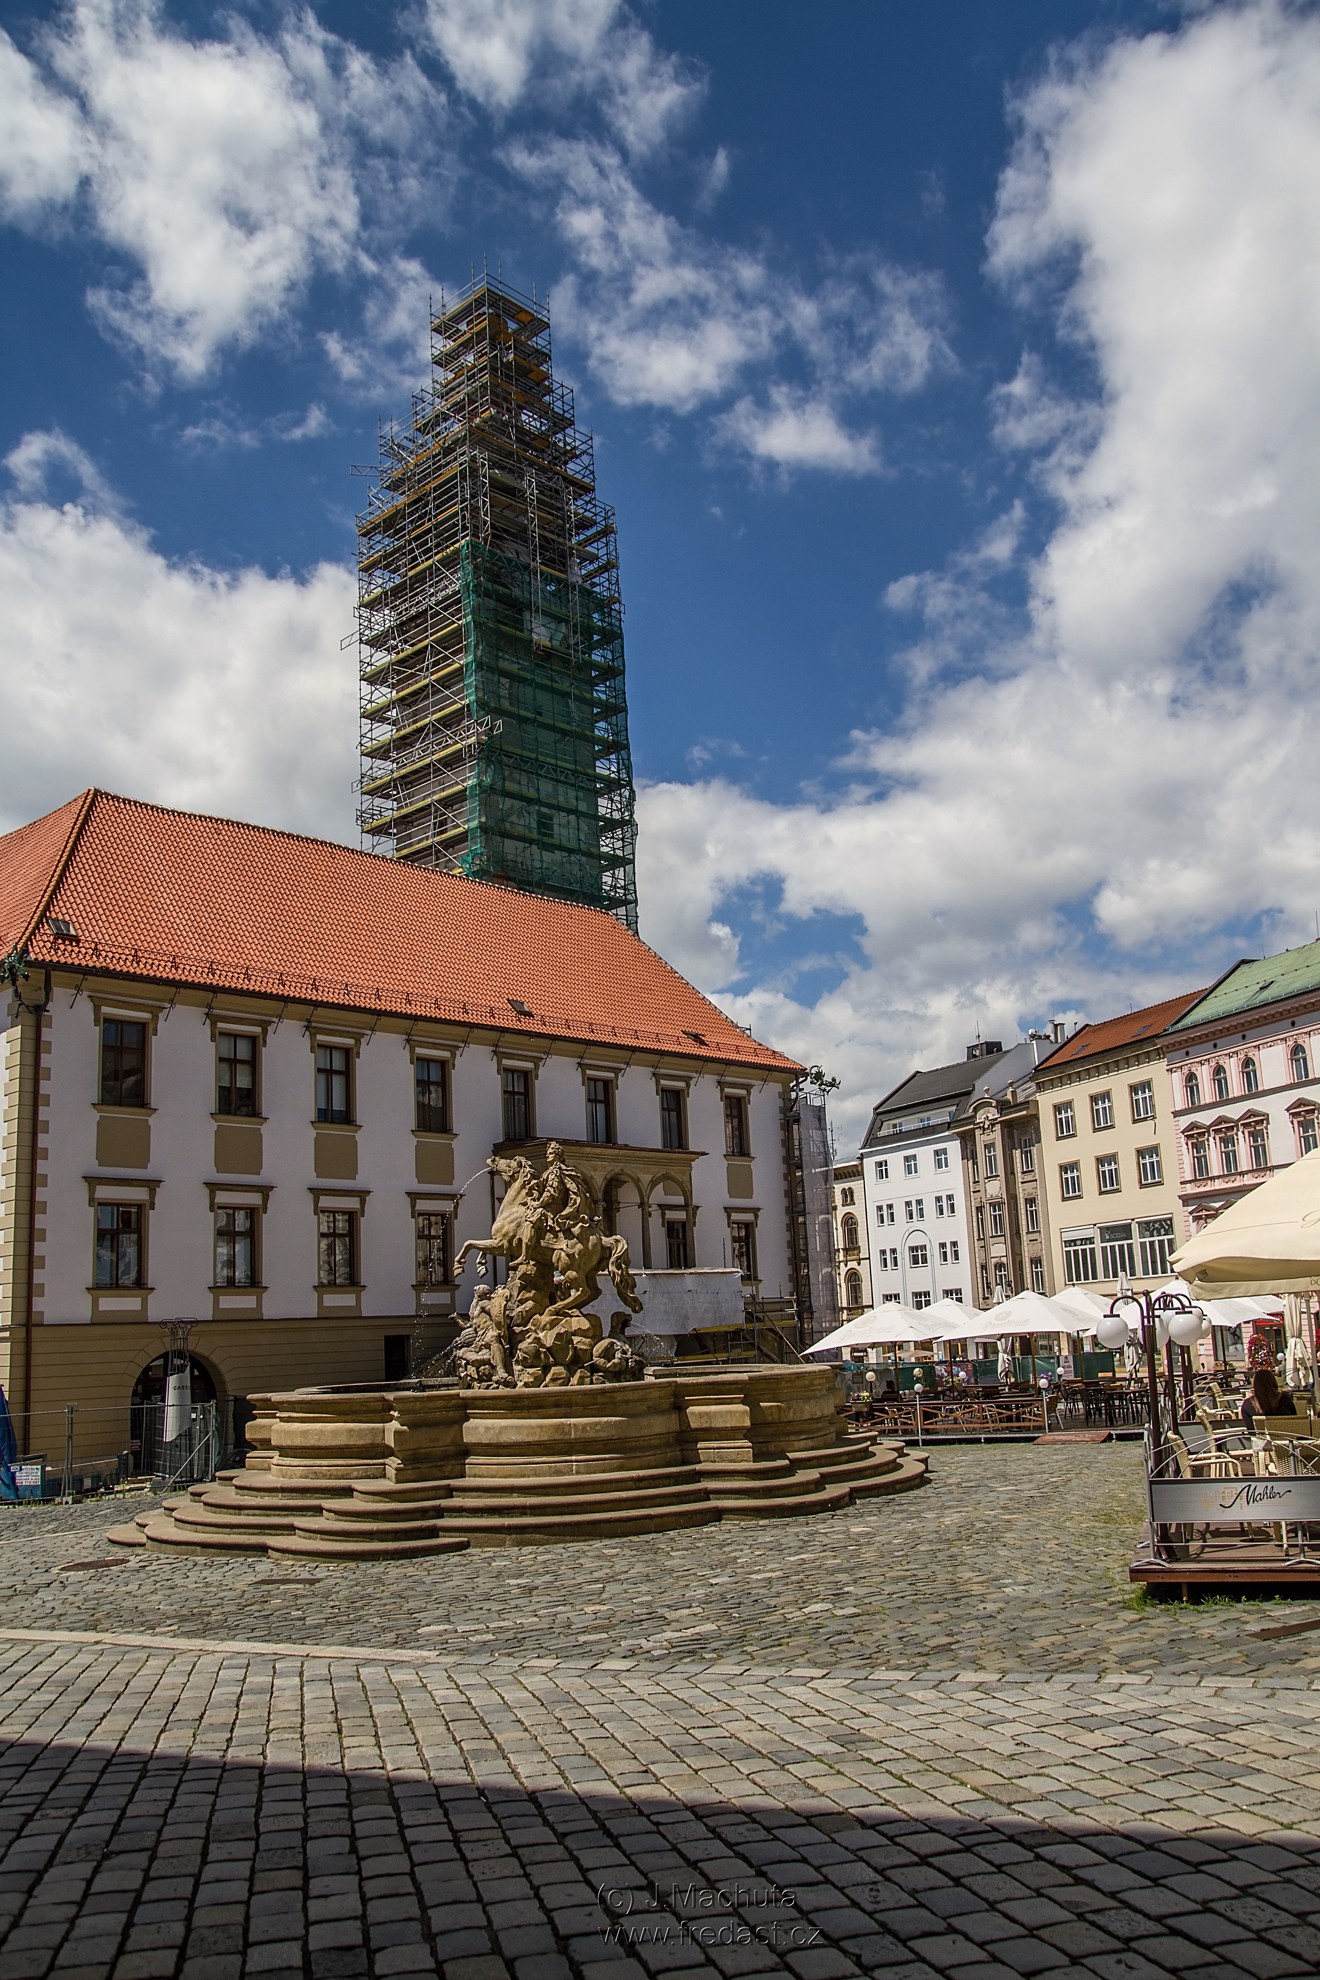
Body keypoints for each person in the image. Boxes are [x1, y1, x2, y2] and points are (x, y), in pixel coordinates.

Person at [1241, 1366, 1297, 1430]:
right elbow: (1295, 1420)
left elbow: (1251, 1430)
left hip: (1261, 1436)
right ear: (1273, 1382)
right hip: (1288, 1435)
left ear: (1255, 1384)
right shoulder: (1285, 1399)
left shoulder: (1247, 1405)